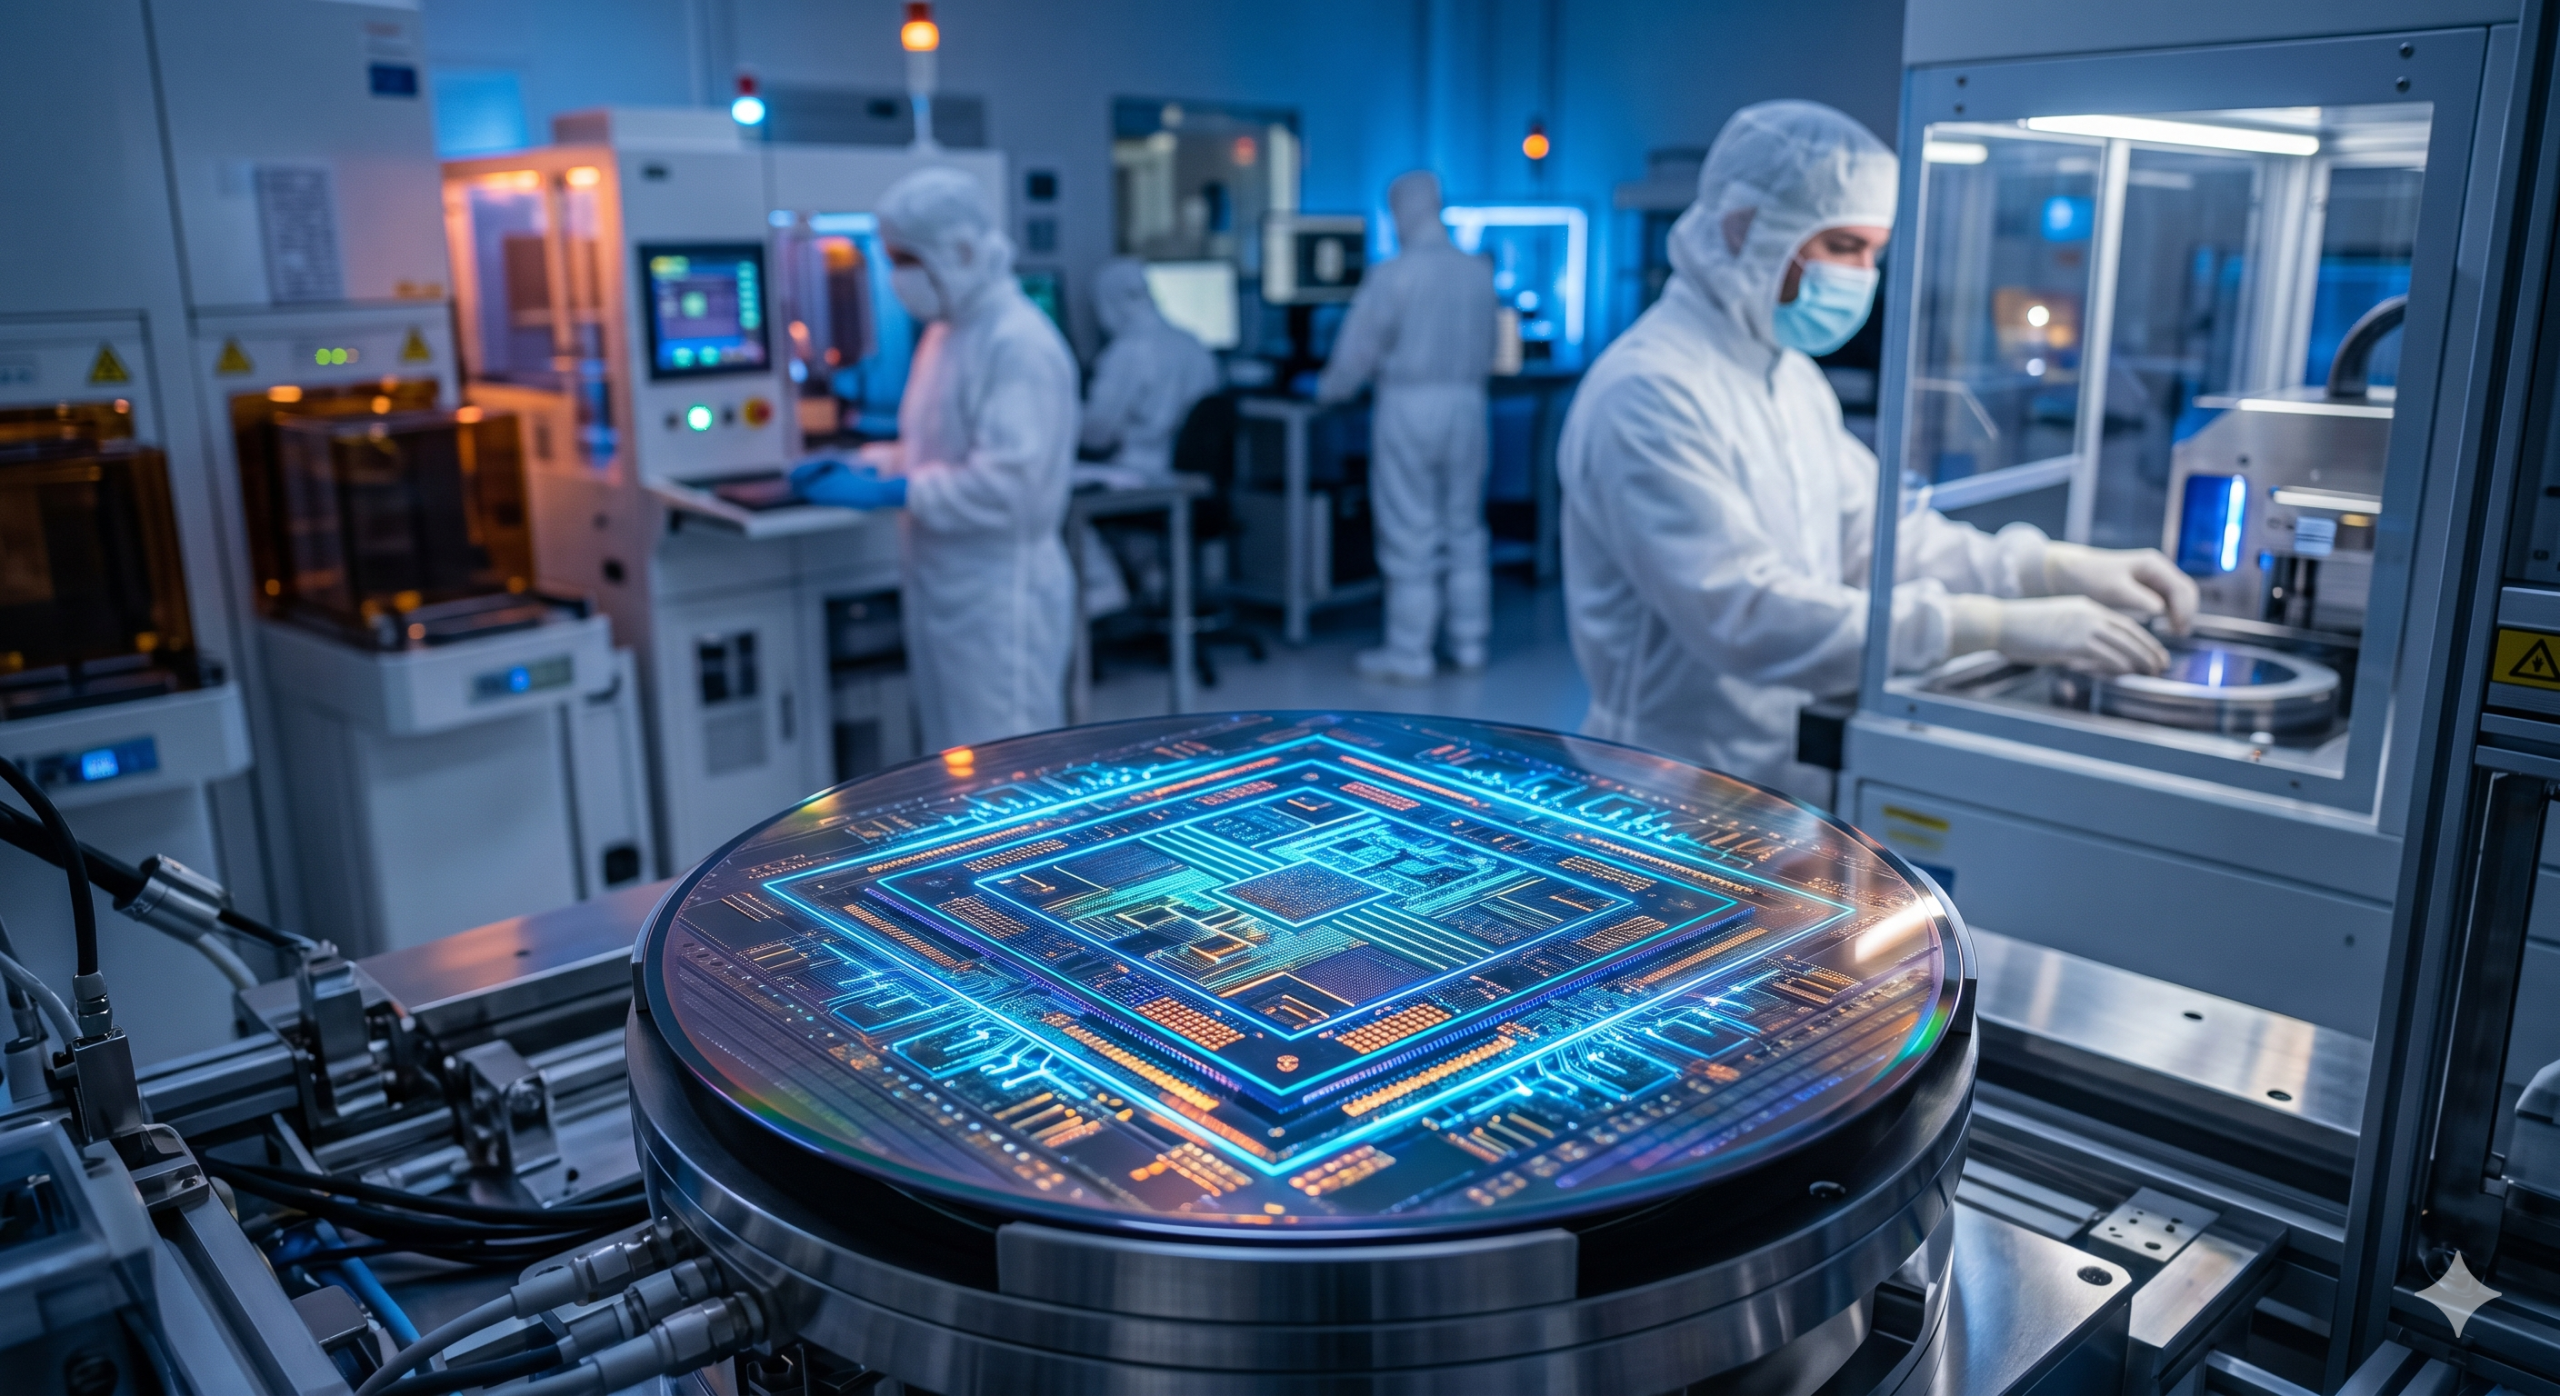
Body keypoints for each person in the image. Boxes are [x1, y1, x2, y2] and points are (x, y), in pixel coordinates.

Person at [1558, 100, 2196, 804]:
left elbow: (1886, 542)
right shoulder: (1650, 390)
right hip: (1665, 789)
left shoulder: (1789, 376)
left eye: (1873, 253)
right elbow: (1743, 614)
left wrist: (2045, 567)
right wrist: (1985, 626)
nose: (1863, 275)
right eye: (1843, 247)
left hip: (1780, 779)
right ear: (1746, 229)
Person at [791, 166, 1079, 752]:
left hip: (1001, 601)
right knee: (960, 768)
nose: (896, 277)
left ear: (961, 252)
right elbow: (936, 448)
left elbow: (1010, 489)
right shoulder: (948, 333)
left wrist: (893, 492)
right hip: (946, 589)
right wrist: (871, 465)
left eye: (905, 260)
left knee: (1009, 778)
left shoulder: (1018, 342)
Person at [1317, 170, 1497, 683]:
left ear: (1401, 211)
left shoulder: (1393, 275)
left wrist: (1327, 391)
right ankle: (1470, 643)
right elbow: (1491, 347)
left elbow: (1354, 355)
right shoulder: (1476, 271)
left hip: (1409, 407)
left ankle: (1409, 652)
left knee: (1410, 530)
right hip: (1468, 405)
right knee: (1464, 526)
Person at [1080, 257, 1221, 479]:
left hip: (1140, 470)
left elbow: (1097, 432)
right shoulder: (1193, 343)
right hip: (1189, 473)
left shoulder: (1125, 352)